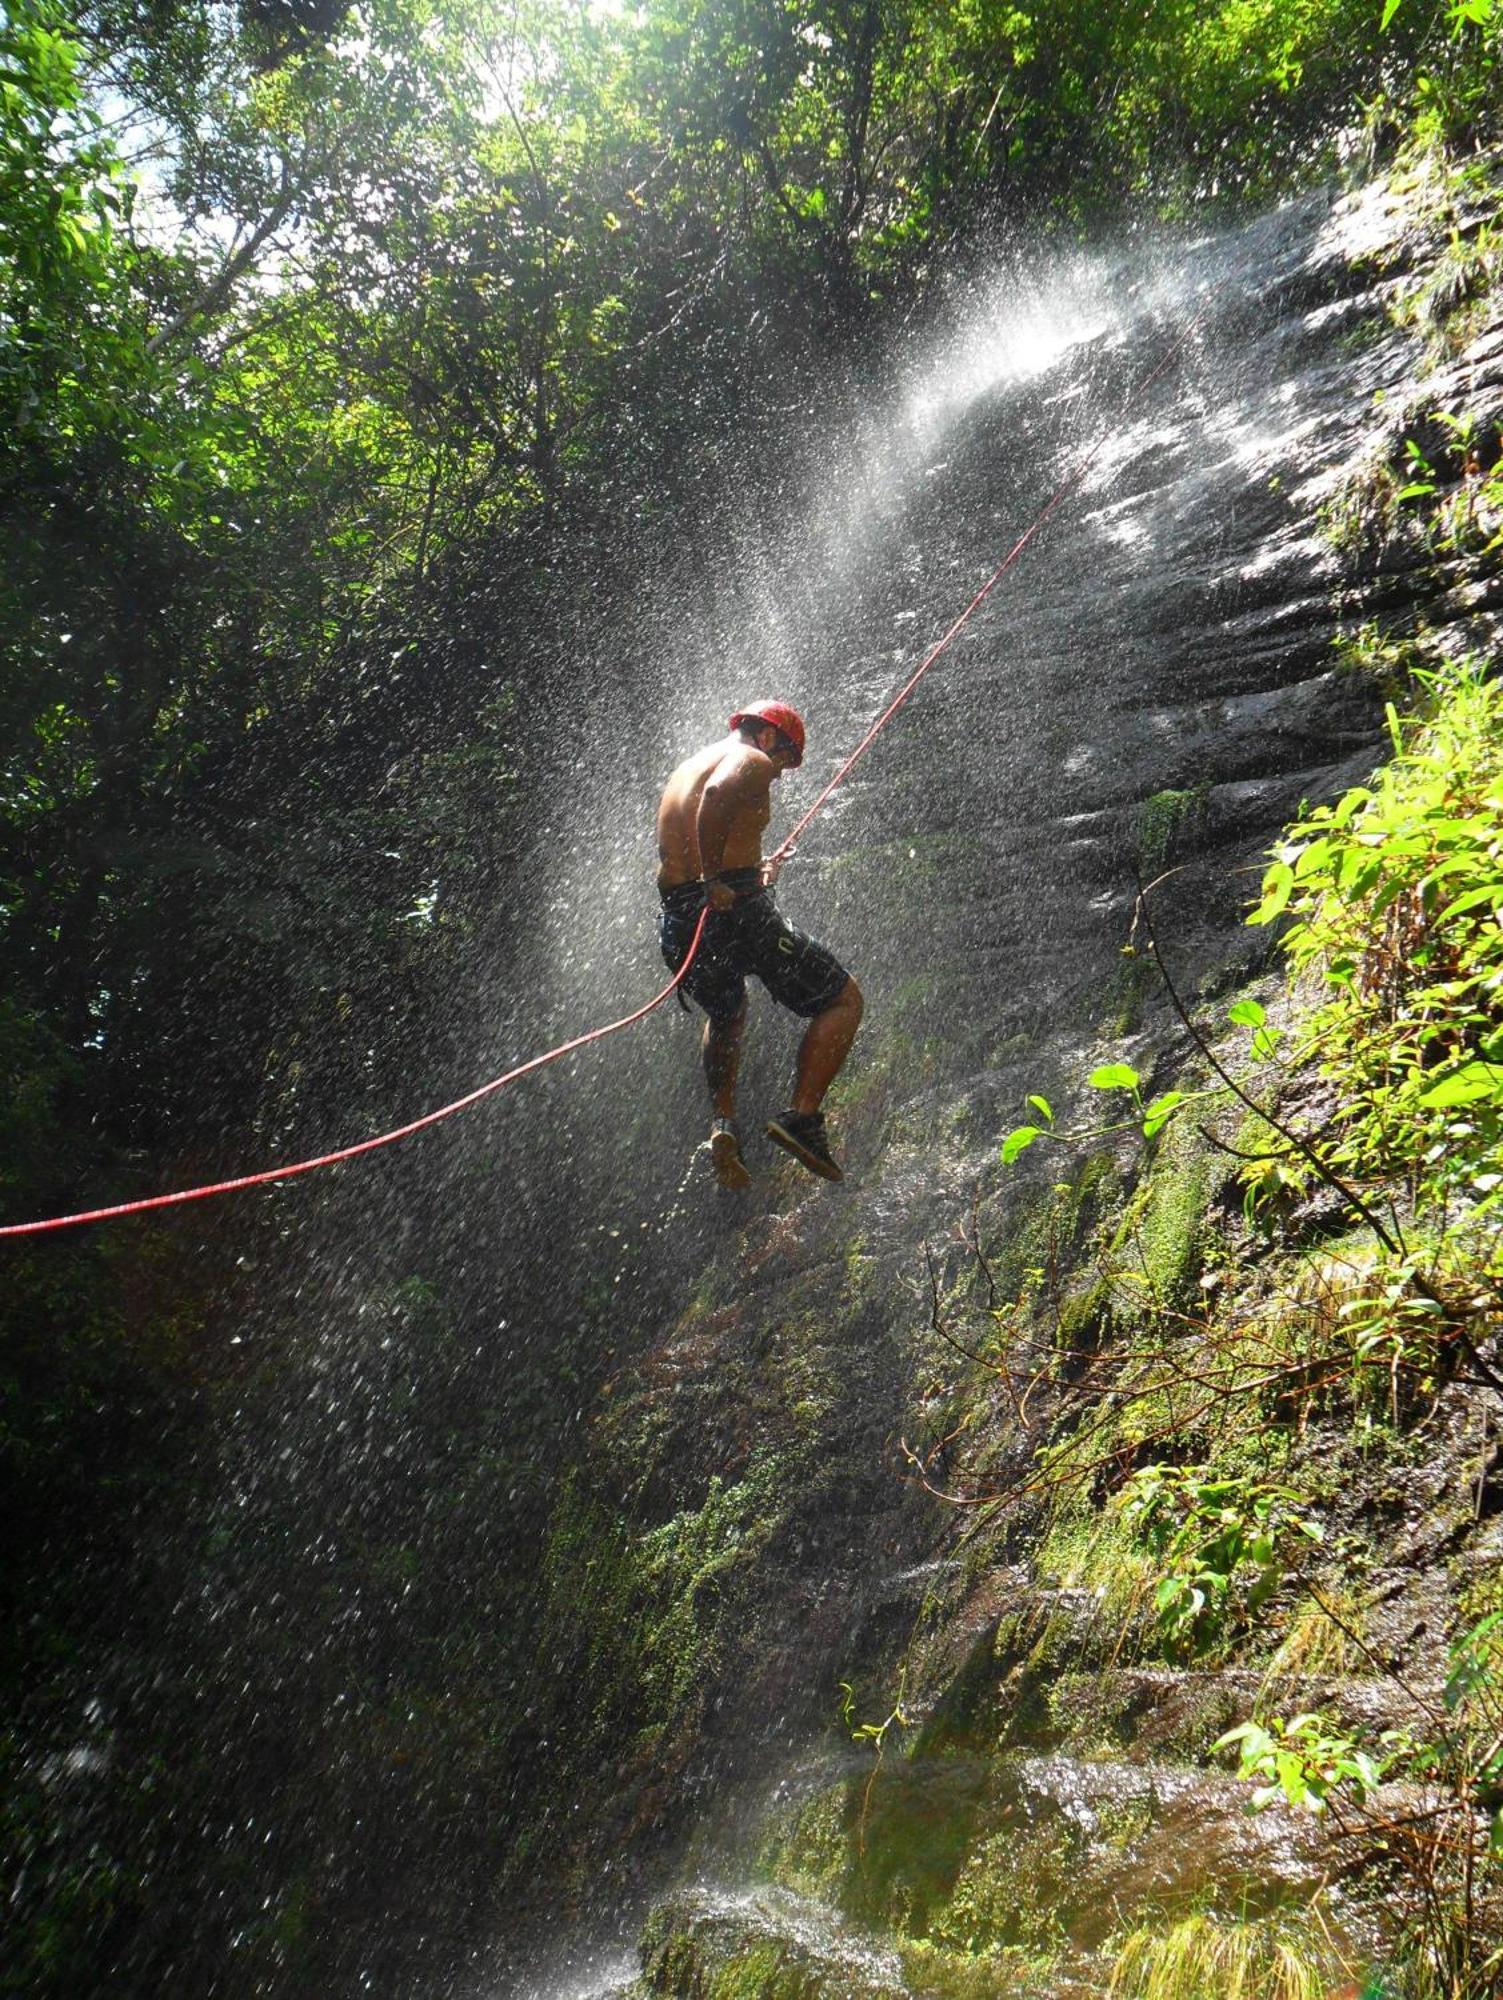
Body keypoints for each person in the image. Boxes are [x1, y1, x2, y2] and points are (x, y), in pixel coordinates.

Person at [656, 703, 863, 1188]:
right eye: (787, 762)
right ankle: (803, 1119)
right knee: (843, 998)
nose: (781, 774)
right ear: (770, 738)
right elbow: (720, 792)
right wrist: (714, 879)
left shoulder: (689, 765)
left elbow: (704, 824)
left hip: (680, 922)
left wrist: (755, 870)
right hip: (730, 912)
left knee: (727, 1012)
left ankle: (723, 1122)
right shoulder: (751, 758)